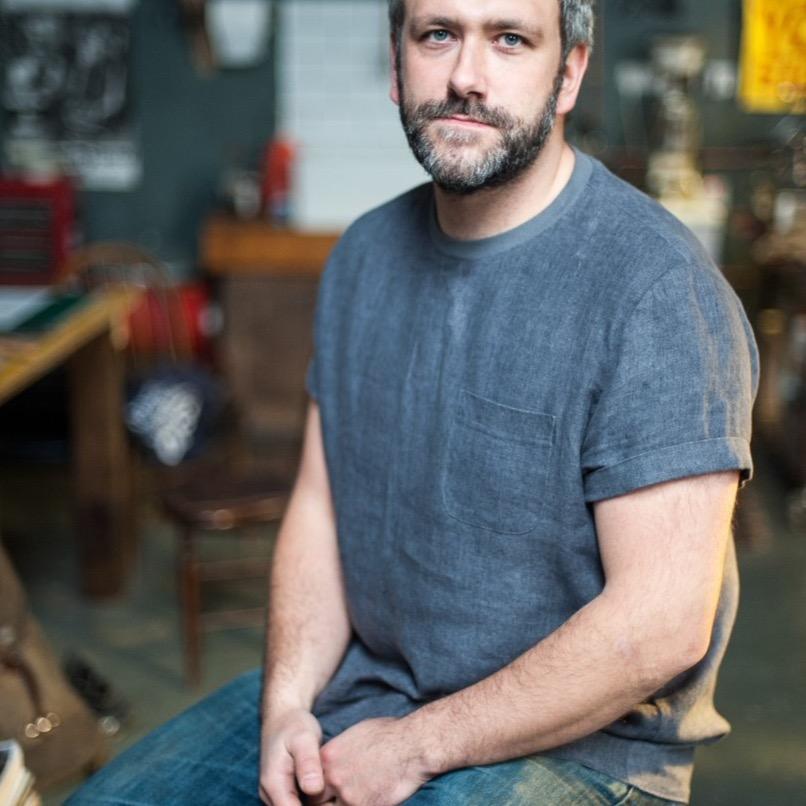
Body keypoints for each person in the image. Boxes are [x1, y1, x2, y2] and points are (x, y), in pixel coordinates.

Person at [69, 0, 758, 804]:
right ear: (397, 64)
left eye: (509, 39)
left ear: (568, 73)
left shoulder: (657, 289)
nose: (466, 77)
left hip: (584, 750)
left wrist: (415, 748)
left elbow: (661, 626)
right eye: (438, 35)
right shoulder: (363, 257)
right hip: (363, 697)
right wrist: (287, 706)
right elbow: (321, 509)